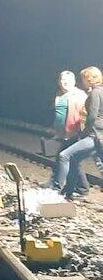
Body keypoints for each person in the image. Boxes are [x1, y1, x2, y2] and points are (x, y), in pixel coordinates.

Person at [52, 67, 103, 199]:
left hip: (94, 135)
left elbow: (92, 116)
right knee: (74, 159)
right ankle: (70, 191)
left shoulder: (95, 93)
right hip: (97, 135)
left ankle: (57, 189)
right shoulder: (99, 91)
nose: (83, 81)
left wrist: (85, 132)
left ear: (89, 78)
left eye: (83, 78)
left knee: (64, 156)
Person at [50, 71, 88, 198]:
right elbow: (59, 114)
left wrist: (80, 131)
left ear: (74, 81)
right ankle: (80, 187)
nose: (64, 82)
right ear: (58, 81)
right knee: (72, 160)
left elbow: (84, 115)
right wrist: (57, 131)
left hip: (75, 132)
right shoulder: (60, 94)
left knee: (66, 158)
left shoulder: (79, 95)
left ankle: (62, 186)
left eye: (67, 80)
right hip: (64, 132)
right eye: (62, 80)